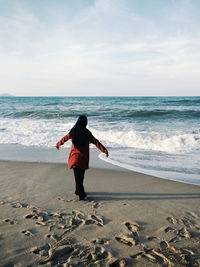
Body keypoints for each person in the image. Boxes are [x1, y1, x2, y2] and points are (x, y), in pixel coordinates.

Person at [56, 115, 109, 200]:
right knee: (80, 178)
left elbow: (65, 138)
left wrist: (58, 144)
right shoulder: (87, 132)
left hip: (74, 158)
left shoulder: (73, 131)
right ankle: (82, 196)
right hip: (83, 159)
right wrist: (104, 150)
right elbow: (96, 142)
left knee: (78, 177)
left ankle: (77, 191)